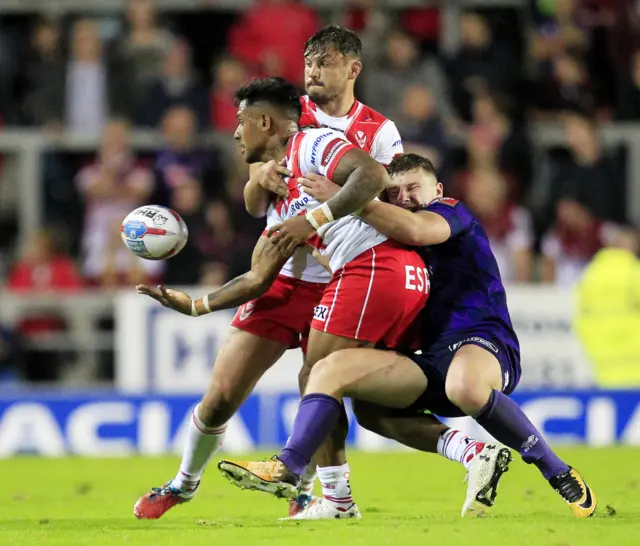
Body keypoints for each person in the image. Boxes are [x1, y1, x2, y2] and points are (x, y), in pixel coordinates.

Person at [218, 153, 597, 519]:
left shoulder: (450, 211)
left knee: (464, 387)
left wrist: (344, 197)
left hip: (482, 342)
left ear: (438, 188)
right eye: (394, 193)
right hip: (431, 358)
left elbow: (416, 229)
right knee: (332, 374)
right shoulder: (387, 236)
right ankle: (289, 466)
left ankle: (557, 471)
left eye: (413, 188)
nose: (404, 199)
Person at [132, 75, 429, 521]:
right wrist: (195, 305)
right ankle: (184, 483)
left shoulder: (341, 137)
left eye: (241, 122)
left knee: (318, 381)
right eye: (310, 64)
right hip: (282, 279)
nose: (234, 132)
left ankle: (314, 492)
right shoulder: (282, 146)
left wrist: (316, 218)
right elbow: (254, 227)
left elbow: (376, 179)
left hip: (338, 279)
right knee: (221, 397)